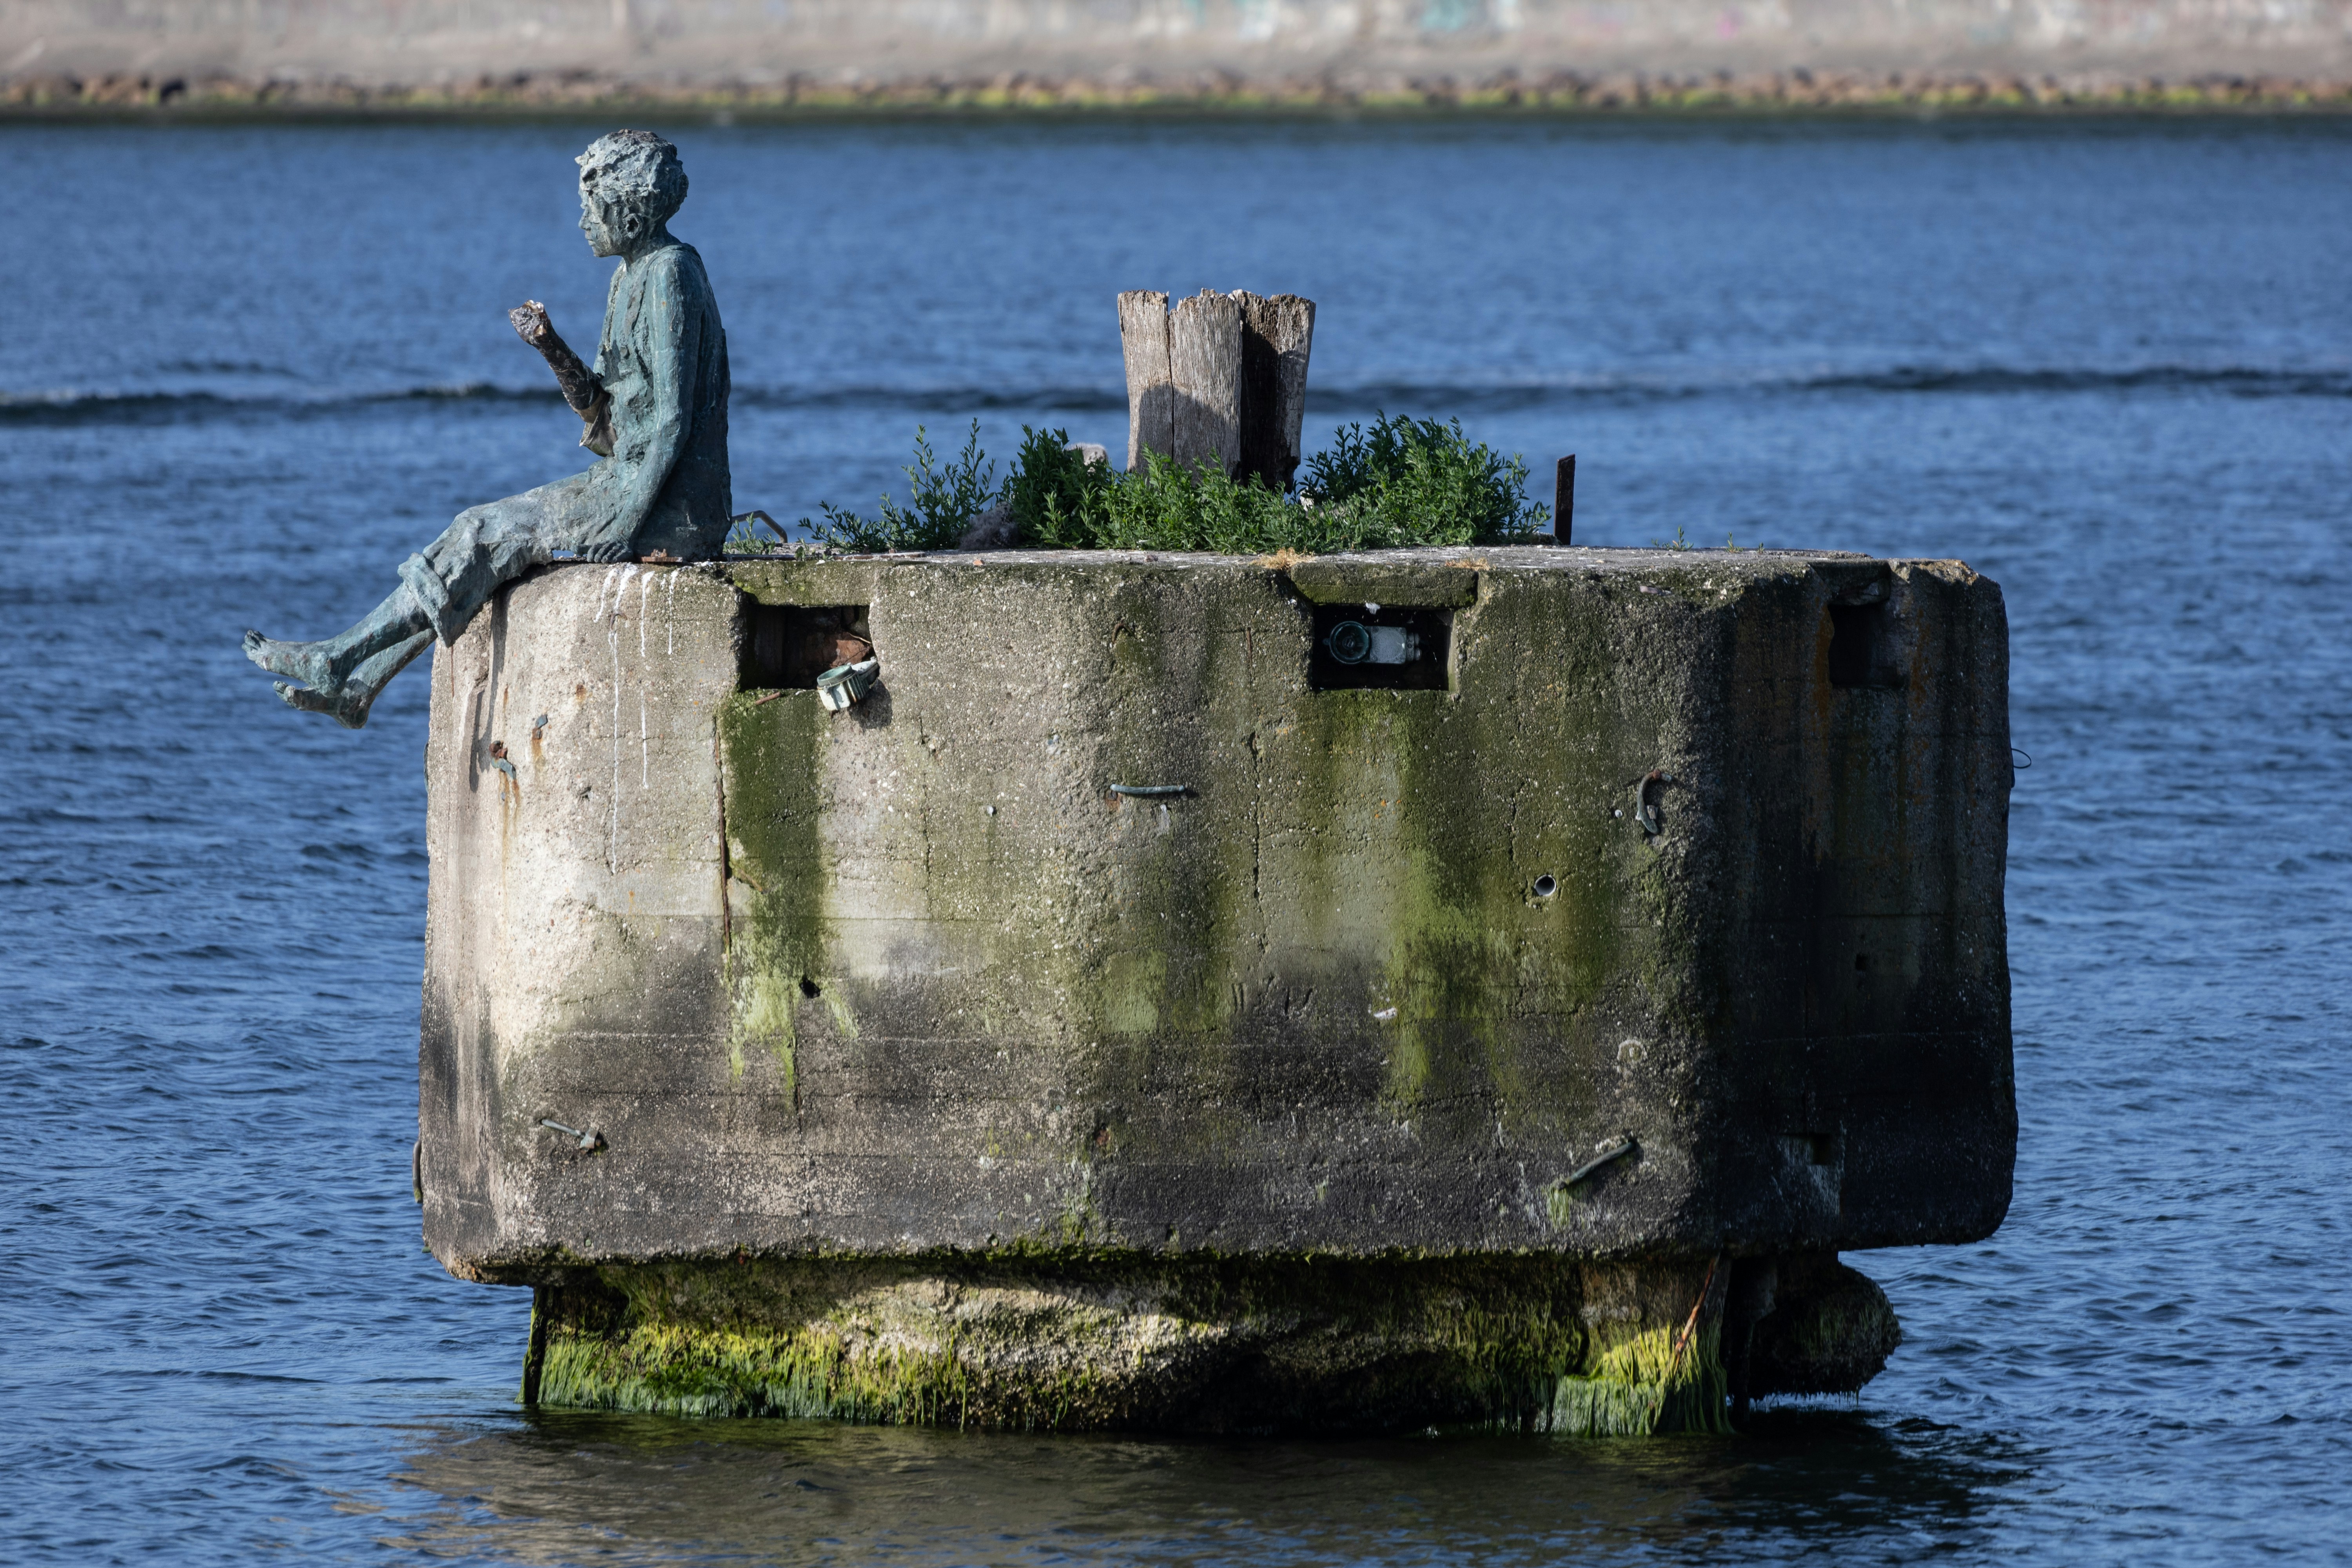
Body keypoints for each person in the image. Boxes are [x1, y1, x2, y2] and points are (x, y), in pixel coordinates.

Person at [244, 129, 731, 727]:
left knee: (482, 532)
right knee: (474, 535)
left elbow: (674, 419)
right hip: (633, 480)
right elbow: (606, 419)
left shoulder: (671, 275)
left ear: (629, 211)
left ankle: (338, 659)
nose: (581, 219)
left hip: (672, 506)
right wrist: (550, 346)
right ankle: (360, 684)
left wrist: (628, 524)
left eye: (591, 204)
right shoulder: (627, 278)